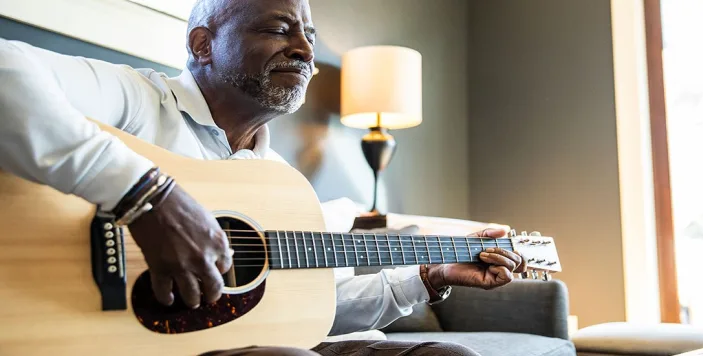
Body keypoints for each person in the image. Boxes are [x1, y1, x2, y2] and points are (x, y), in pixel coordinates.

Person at [0, 0, 527, 355]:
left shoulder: (280, 183)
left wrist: (427, 275)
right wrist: (146, 196)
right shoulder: (135, 98)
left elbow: (313, 306)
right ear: (203, 45)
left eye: (309, 35)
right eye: (279, 28)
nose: (304, 49)